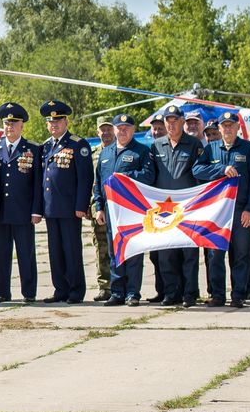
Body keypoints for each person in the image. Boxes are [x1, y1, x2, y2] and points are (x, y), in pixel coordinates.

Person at [193, 111, 250, 306]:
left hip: (241, 210)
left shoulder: (248, 149)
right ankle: (217, 295)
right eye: (224, 126)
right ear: (220, 128)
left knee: (240, 254)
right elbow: (197, 169)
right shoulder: (211, 149)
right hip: (216, 211)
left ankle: (239, 295)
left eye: (231, 125)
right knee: (215, 254)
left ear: (238, 127)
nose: (228, 129)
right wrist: (220, 169)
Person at [93, 113, 157, 306]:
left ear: (133, 130)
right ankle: (117, 291)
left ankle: (132, 293)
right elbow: (98, 183)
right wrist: (99, 207)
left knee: (133, 251)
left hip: (133, 210)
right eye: (119, 129)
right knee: (114, 252)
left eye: (127, 128)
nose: (123, 131)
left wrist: (125, 176)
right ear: (114, 130)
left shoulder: (141, 151)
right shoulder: (105, 153)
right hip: (111, 210)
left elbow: (148, 175)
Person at [38, 99, 93, 304]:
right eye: (51, 122)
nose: (54, 125)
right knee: (55, 253)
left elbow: (85, 178)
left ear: (66, 122)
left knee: (71, 251)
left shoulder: (78, 144)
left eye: (58, 121)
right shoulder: (45, 147)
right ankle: (60, 289)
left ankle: (76, 290)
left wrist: (81, 206)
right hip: (51, 208)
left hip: (70, 208)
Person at [152, 104, 205, 306]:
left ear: (182, 122)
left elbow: (201, 174)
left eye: (175, 121)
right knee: (166, 253)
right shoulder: (156, 145)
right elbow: (151, 176)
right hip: (163, 209)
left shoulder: (194, 144)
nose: (171, 125)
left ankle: (190, 293)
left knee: (189, 253)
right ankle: (171, 293)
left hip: (188, 208)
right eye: (168, 121)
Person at [0, 102, 42, 303]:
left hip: (23, 211)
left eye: (14, 123)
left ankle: (29, 292)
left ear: (22, 125)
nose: (10, 127)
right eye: (6, 123)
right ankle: (2, 292)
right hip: (1, 212)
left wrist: (36, 210)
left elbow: (38, 183)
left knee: (26, 254)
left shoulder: (32, 149)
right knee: (2, 254)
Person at [88, 116, 116, 302]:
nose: (105, 133)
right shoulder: (92, 153)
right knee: (101, 247)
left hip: (118, 207)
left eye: (108, 129)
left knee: (118, 248)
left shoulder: (120, 150)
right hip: (97, 207)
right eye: (102, 129)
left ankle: (121, 284)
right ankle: (104, 286)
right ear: (97, 131)